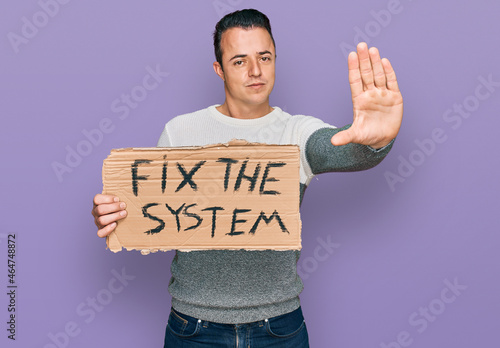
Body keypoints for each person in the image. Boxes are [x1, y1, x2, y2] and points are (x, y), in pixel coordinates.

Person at [92, 9, 403, 347]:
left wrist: (376, 139)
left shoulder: (297, 132)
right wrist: (116, 215)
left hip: (279, 328)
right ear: (219, 69)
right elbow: (155, 213)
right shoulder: (180, 132)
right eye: (239, 61)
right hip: (194, 327)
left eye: (264, 57)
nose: (256, 71)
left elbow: (342, 149)